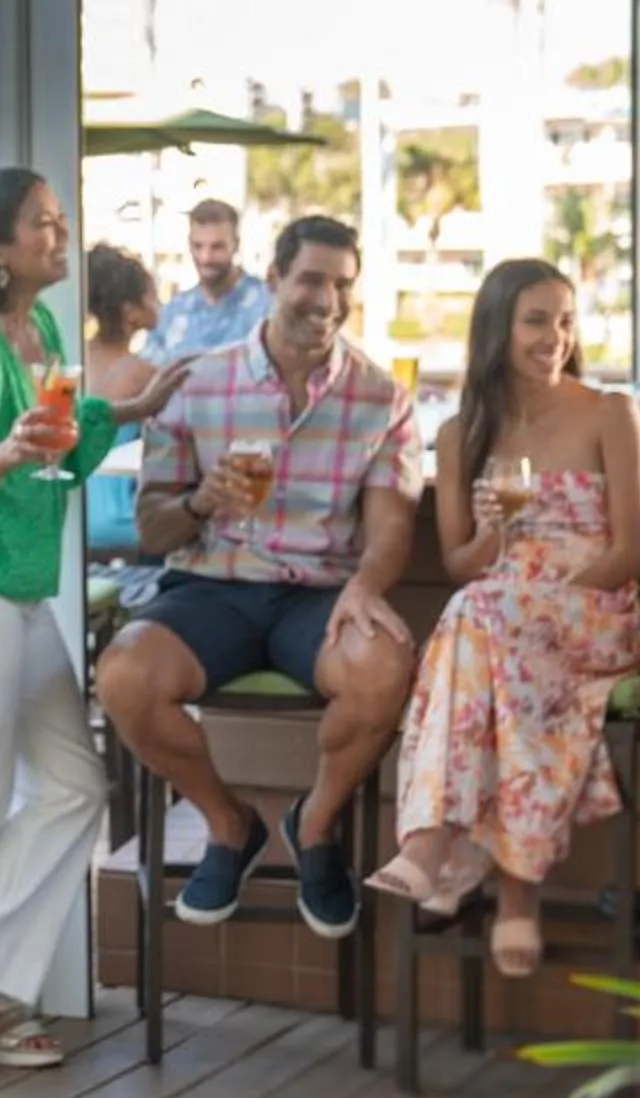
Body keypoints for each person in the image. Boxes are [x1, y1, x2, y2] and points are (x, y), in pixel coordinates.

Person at [0, 170, 189, 1073]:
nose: (61, 236)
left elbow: (61, 435)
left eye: (61, 221)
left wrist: (129, 413)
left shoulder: (46, 330)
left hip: (17, 599)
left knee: (72, 788)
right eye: (41, 224)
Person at [93, 215, 421, 940]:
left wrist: (367, 587)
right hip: (212, 588)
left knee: (384, 670)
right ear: (271, 280)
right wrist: (202, 499)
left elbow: (392, 524)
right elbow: (153, 527)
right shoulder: (196, 383)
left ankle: (315, 824)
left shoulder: (380, 397)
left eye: (341, 285)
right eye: (310, 279)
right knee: (122, 678)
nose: (326, 299)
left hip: (321, 593)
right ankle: (228, 825)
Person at [365, 260, 640, 978]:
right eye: (536, 320)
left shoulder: (612, 413)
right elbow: (465, 563)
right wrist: (495, 533)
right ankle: (517, 897)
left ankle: (437, 843)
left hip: (594, 608)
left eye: (565, 320)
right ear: (498, 327)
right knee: (486, 626)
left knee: (480, 616)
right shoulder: (464, 432)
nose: (554, 336)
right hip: (500, 618)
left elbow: (629, 550)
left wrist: (550, 593)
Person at [82, 243, 162, 555]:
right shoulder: (143, 373)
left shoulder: (75, 359)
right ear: (130, 311)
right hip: (121, 524)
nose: (160, 304)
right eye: (152, 296)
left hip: (76, 520)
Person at [140, 199, 270, 362]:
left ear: (236, 245)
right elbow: (147, 371)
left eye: (217, 247)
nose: (206, 257)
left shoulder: (266, 306)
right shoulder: (173, 312)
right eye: (198, 246)